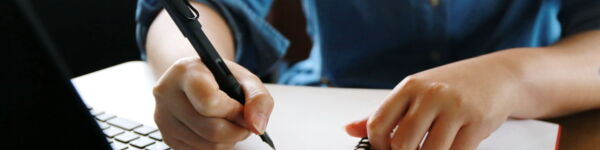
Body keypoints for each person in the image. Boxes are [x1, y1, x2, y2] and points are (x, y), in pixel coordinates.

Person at [136, 0, 600, 150]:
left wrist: (512, 77)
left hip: (527, 120)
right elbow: (192, 8)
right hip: (316, 119)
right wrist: (192, 67)